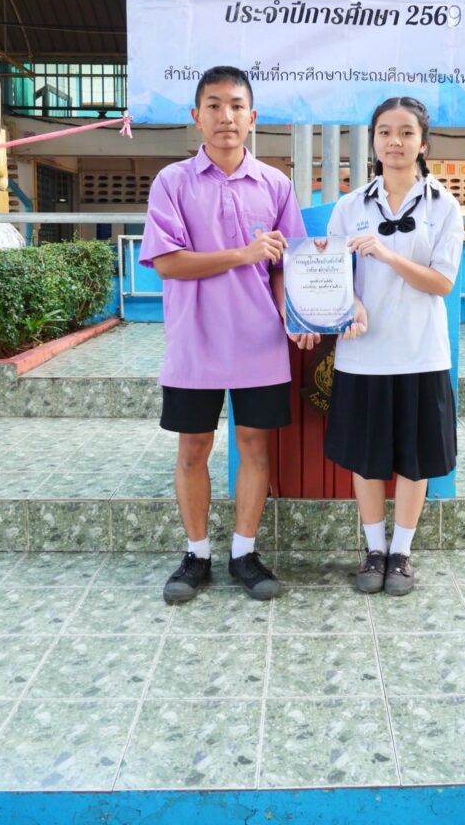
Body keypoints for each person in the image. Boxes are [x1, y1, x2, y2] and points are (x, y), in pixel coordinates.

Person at [139, 66, 315, 603]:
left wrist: (294, 315)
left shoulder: (276, 185)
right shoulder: (172, 182)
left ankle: (244, 552)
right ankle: (197, 554)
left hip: (259, 342)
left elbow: (288, 264)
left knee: (255, 447)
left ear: (252, 117)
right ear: (197, 116)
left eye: (236, 105)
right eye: (214, 105)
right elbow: (168, 262)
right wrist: (243, 254)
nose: (226, 116)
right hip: (194, 342)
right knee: (193, 449)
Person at [324, 96, 464, 596]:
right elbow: (333, 276)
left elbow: (442, 283)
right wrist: (353, 304)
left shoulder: (444, 206)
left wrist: (385, 254)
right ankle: (374, 549)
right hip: (363, 353)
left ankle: (401, 552)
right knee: (367, 458)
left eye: (406, 132)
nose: (395, 141)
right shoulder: (350, 206)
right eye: (384, 132)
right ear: (373, 141)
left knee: (415, 457)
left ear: (423, 143)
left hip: (421, 352)